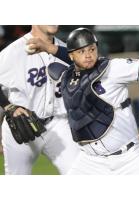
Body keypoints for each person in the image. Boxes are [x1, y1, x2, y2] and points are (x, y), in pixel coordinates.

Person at [27, 27, 139, 175]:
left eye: (92, 49)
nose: (88, 55)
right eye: (82, 51)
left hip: (130, 157)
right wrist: (47, 47)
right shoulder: (68, 76)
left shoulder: (113, 69)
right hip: (90, 162)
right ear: (71, 56)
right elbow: (69, 55)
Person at [0, 25, 79, 175]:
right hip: (22, 124)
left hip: (59, 124)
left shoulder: (66, 50)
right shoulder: (13, 52)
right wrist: (8, 106)